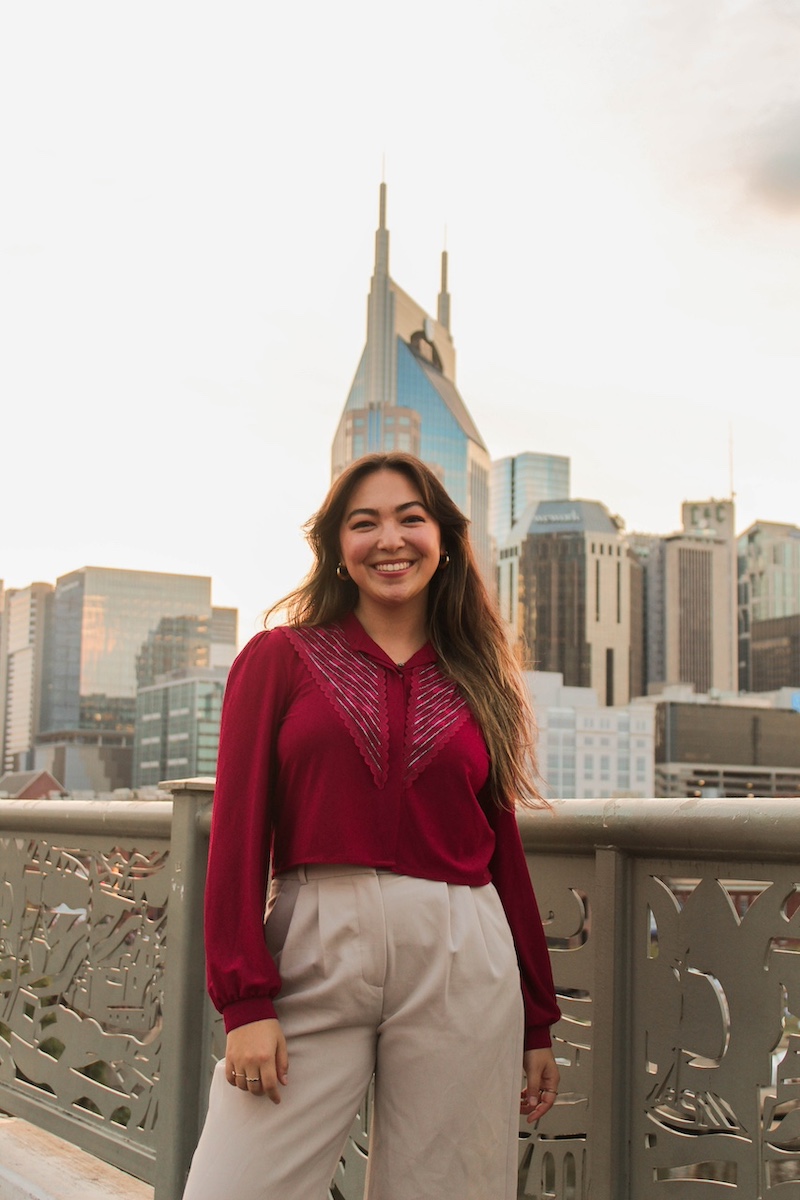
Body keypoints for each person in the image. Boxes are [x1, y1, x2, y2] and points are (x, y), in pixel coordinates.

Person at [182, 452, 561, 1200]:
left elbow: (501, 852)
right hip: (315, 949)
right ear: (338, 551)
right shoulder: (277, 659)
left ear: (444, 540)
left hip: (462, 953)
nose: (390, 539)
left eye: (410, 518)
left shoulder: (479, 678)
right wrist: (245, 1002)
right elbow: (237, 831)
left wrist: (538, 1018)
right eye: (365, 524)